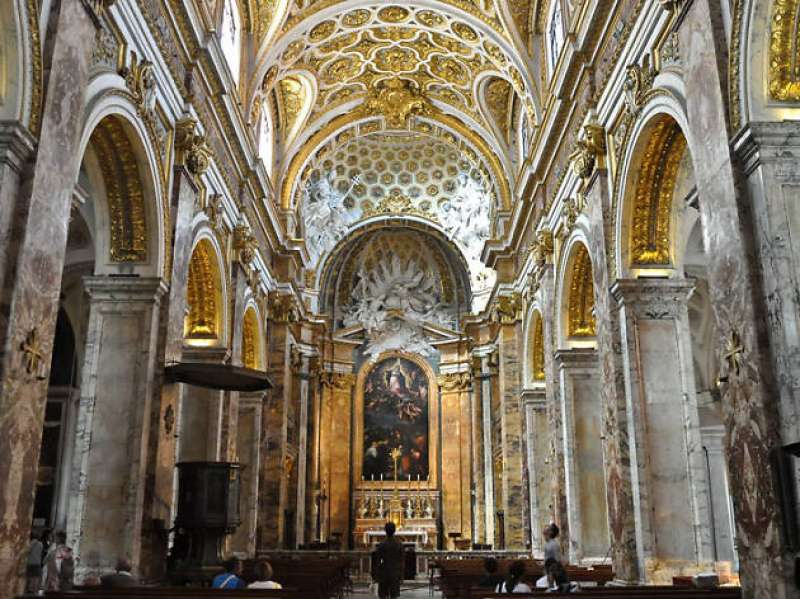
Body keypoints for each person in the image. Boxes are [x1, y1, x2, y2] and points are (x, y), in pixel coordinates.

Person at [372, 522, 404, 599]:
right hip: (395, 572)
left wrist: (376, 575)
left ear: (385, 530)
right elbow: (402, 561)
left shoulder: (382, 544)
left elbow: (378, 561)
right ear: (395, 530)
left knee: (383, 595)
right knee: (394, 595)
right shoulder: (399, 544)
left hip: (384, 572)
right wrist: (401, 575)